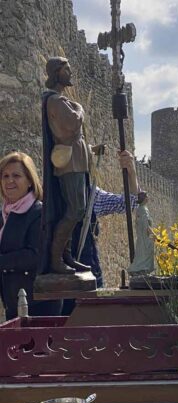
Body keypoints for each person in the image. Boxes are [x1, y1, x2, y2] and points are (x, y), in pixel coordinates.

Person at [62, 149, 144, 316]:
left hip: (88, 272)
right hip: (60, 276)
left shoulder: (92, 195)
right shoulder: (51, 195)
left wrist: (131, 172)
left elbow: (130, 203)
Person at [41, 56, 91, 275]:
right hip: (69, 162)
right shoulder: (56, 101)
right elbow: (72, 123)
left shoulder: (60, 100)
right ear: (57, 73)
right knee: (75, 210)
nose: (70, 73)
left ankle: (66, 256)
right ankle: (55, 259)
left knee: (75, 211)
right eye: (66, 70)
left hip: (76, 160)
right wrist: (80, 109)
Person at [0, 152, 55, 320]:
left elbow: (35, 256)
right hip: (13, 301)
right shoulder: (4, 214)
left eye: (16, 175)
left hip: (37, 304)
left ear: (30, 180)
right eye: (5, 176)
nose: (9, 181)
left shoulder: (39, 213)